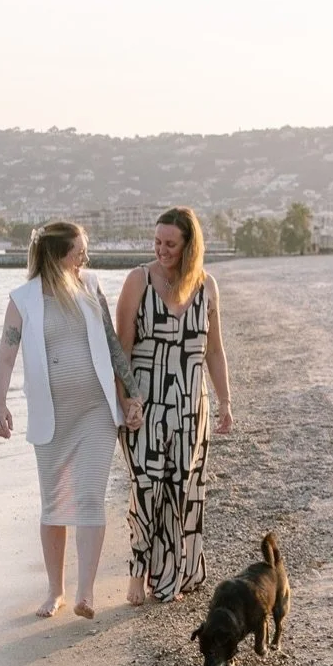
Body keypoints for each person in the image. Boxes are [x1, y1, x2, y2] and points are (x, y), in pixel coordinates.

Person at [0, 221, 143, 619]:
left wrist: (131, 397)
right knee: (54, 504)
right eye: (79, 252)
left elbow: (112, 344)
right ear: (58, 256)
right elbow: (6, 357)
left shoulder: (90, 286)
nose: (85, 258)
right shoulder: (23, 300)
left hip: (96, 412)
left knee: (90, 497)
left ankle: (86, 592)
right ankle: (55, 590)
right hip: (52, 418)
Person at [115, 207, 233, 606]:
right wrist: (126, 401)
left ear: (188, 245)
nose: (162, 250)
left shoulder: (207, 286)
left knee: (182, 489)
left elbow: (214, 351)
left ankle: (171, 574)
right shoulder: (138, 281)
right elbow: (122, 352)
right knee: (146, 488)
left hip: (190, 406)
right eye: (157, 242)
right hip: (145, 405)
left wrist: (225, 402)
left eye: (170, 244)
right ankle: (137, 573)